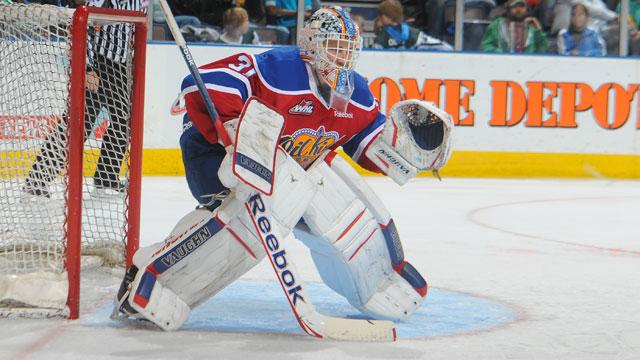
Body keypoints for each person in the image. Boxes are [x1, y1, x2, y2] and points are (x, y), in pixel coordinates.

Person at [112, 7, 453, 331]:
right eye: (334, 47)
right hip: (212, 153)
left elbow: (370, 144)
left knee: (327, 197)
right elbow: (200, 83)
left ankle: (377, 280)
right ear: (311, 44)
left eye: (348, 50)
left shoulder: (356, 94)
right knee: (249, 219)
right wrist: (232, 124)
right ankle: (154, 281)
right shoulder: (279, 69)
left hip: (282, 170)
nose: (342, 58)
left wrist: (408, 147)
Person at [23, 0, 147, 197]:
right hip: (101, 63)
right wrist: (88, 67)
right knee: (81, 121)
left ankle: (105, 178)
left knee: (121, 120)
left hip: (121, 66)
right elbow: (83, 22)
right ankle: (38, 179)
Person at [373, 0, 453, 50]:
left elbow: (374, 54)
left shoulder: (383, 34)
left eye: (380, 15)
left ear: (385, 16)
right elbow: (446, 48)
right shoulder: (413, 33)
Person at [480, 0, 548, 53]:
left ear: (526, 9)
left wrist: (539, 30)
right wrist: (503, 53)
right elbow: (486, 47)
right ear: (508, 9)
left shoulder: (531, 26)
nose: (518, 9)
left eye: (521, 6)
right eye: (515, 6)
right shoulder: (496, 25)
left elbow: (542, 49)